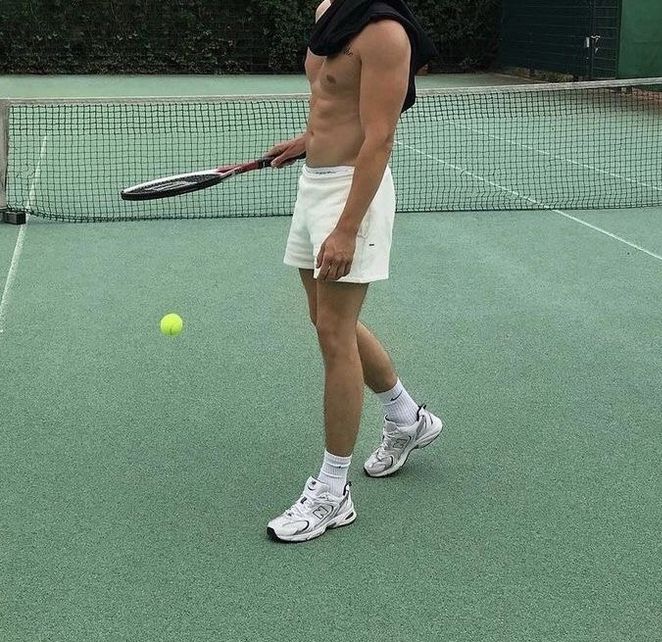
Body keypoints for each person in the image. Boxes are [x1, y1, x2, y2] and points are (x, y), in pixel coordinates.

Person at [265, 0, 442, 543]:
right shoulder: (330, 10)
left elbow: (379, 135)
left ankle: (332, 492)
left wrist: (347, 226)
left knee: (335, 334)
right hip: (314, 185)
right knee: (323, 317)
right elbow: (330, 98)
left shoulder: (386, 33)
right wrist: (307, 141)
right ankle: (408, 417)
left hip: (351, 194)